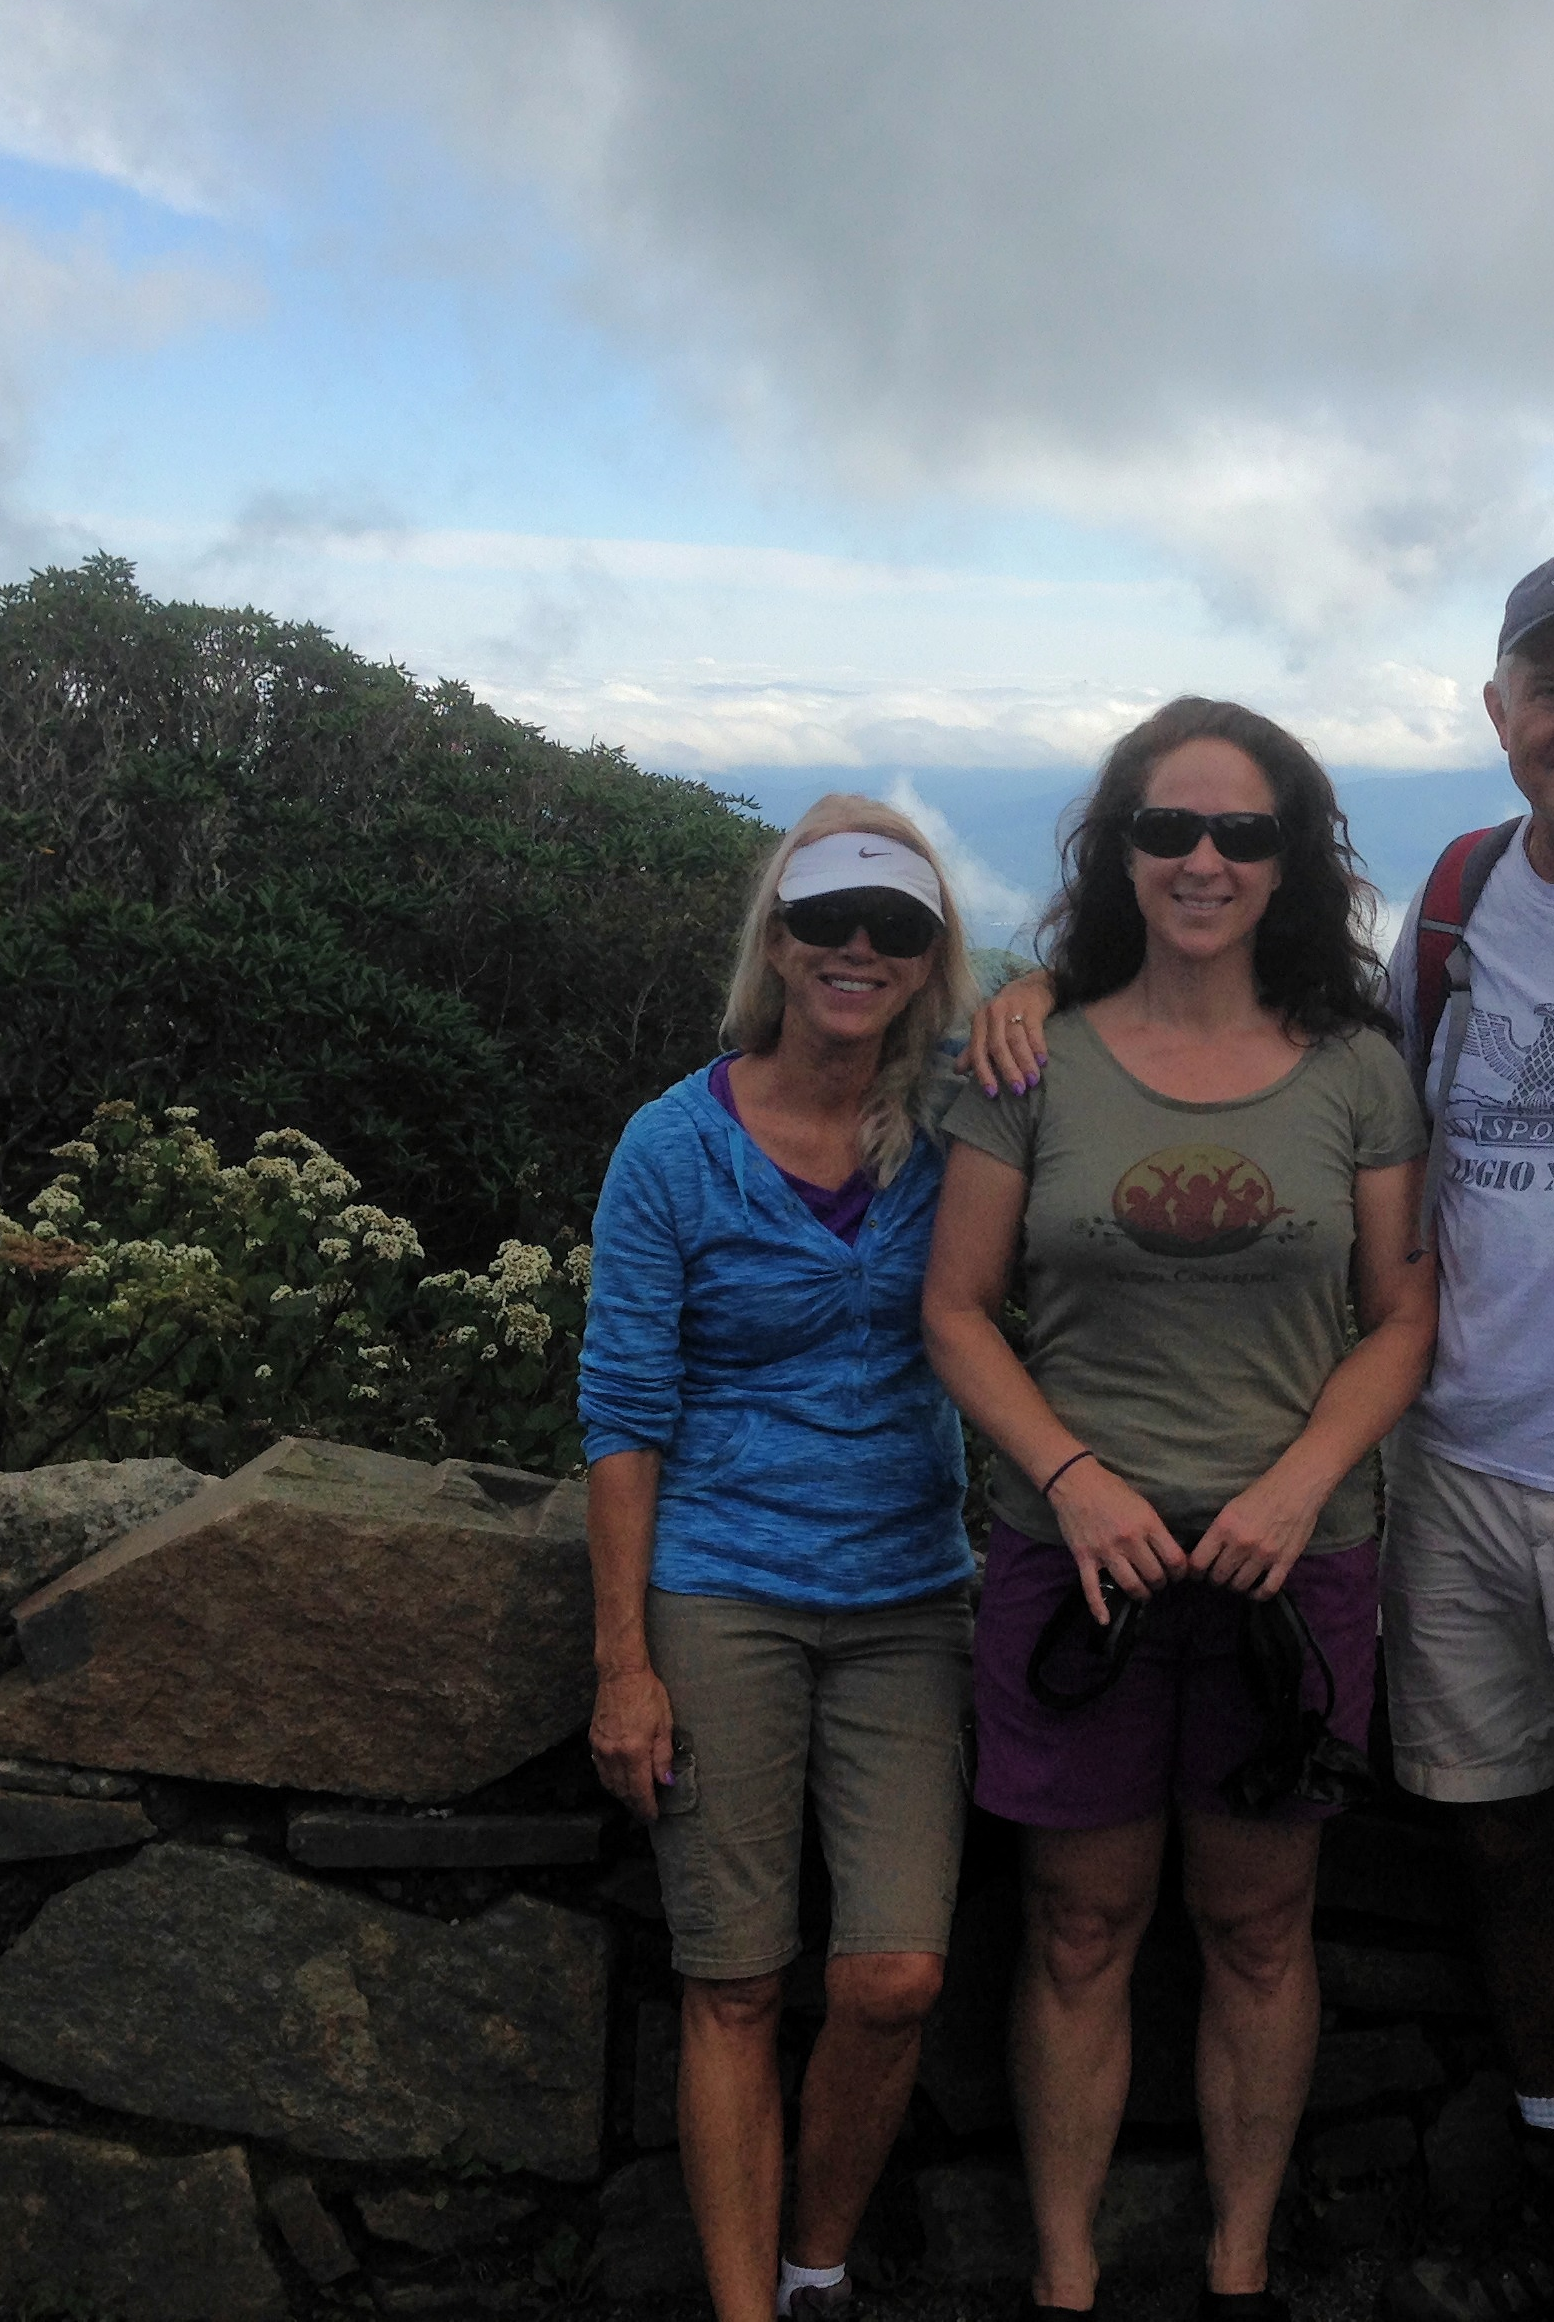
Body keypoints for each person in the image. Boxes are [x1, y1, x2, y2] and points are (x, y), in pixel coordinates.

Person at [969, 550, 1554, 2321]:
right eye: (1550, 692)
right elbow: (1332, 1103)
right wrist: (1029, 998)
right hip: (1459, 1472)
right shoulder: (1465, 897)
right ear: (1495, 713)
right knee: (1495, 1837)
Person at [924, 697, 1437, 2322]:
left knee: (1260, 1922)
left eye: (1241, 833)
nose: (1203, 860)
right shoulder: (1033, 1057)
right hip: (1073, 1565)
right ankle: (1065, 2277)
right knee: (1079, 1925)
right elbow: (953, 1307)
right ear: (1120, 852)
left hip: (1295, 1569)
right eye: (1168, 830)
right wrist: (1071, 1484)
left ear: (1293, 861)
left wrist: (1299, 1488)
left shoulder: (1358, 1070)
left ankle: (1237, 2269)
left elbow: (1404, 1313)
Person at [581, 797, 981, 2322]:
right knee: (735, 1981)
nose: (859, 951)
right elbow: (623, 1409)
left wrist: (1041, 993)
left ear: (932, 957)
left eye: (899, 928)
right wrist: (623, 1663)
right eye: (830, 920)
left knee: (894, 1978)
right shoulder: (675, 1145)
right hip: (722, 1591)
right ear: (778, 935)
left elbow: (1124, 1029)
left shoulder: (956, 1123)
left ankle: (819, 2267)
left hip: (905, 1597)